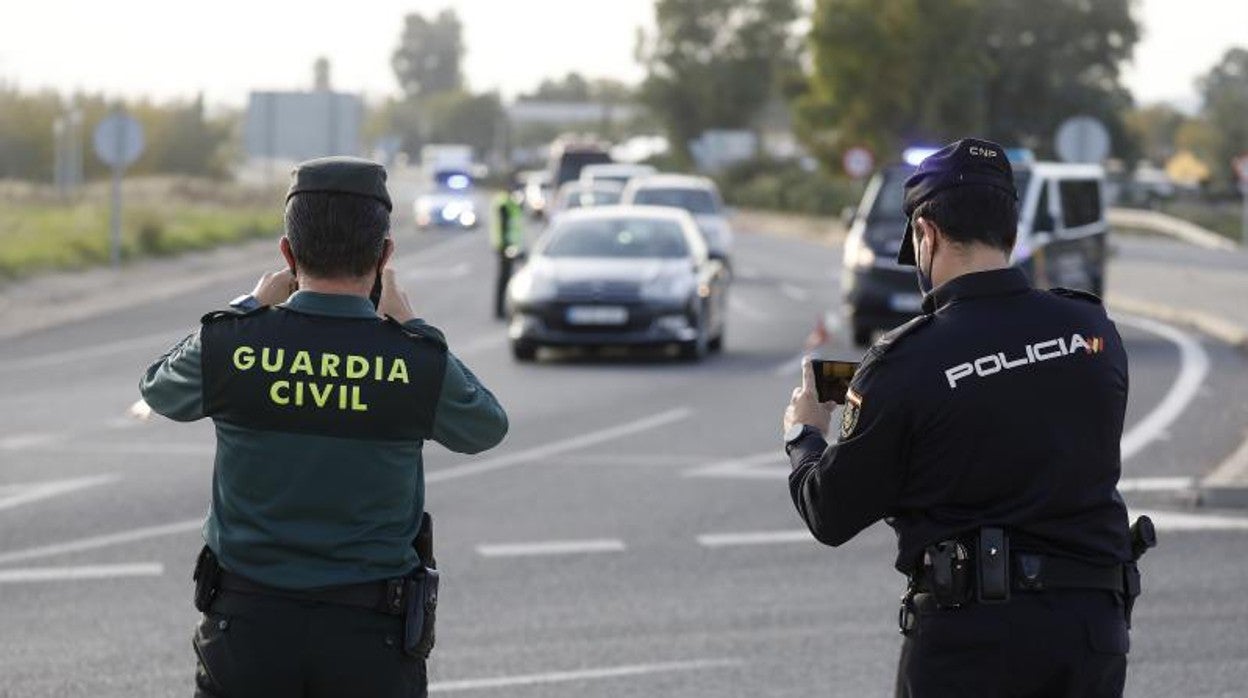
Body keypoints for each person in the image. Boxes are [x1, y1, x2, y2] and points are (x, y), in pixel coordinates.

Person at [782, 138, 1151, 697]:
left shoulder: (906, 363)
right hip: (1091, 635)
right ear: (1010, 230)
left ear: (925, 233)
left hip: (973, 645)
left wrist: (804, 434)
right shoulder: (1094, 332)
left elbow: (830, 513)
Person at [140, 156, 509, 698]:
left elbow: (161, 390)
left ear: (287, 254)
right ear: (385, 257)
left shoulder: (235, 343)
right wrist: (414, 326)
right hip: (370, 640)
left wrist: (246, 306)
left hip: (246, 629)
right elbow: (485, 426)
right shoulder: (413, 360)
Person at [491, 190, 524, 319]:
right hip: (506, 248)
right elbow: (505, 228)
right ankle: (500, 311)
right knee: (504, 280)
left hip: (507, 247)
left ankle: (502, 310)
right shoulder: (505, 205)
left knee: (506, 279)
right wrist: (508, 248)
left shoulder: (507, 203)